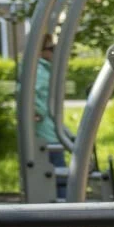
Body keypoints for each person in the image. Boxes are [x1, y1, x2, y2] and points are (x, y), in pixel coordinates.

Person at [33, 32, 67, 169]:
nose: (54, 52)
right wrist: (38, 113)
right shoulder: (40, 71)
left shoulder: (43, 69)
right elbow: (34, 95)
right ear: (40, 52)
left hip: (48, 129)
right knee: (59, 176)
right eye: (51, 48)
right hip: (46, 133)